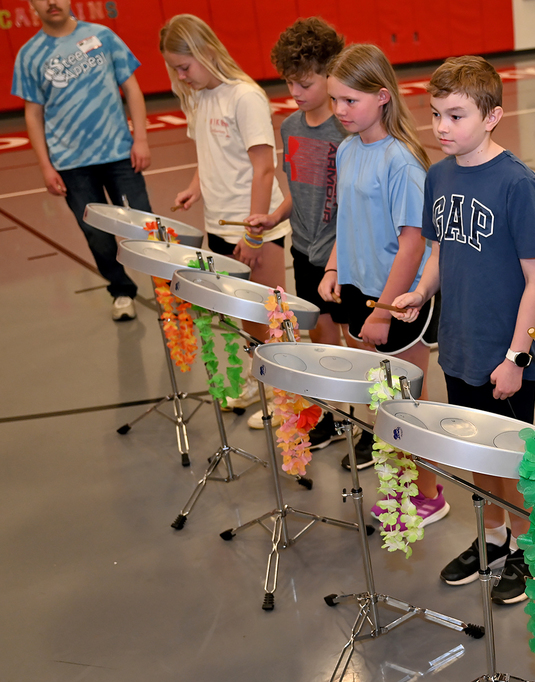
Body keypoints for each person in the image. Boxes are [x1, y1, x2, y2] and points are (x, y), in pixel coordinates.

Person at [391, 55, 535, 605]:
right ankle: (493, 537)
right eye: (436, 115)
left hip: (502, 356)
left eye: (455, 115)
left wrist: (515, 357)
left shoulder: (518, 185)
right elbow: (439, 248)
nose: (441, 127)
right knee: (471, 456)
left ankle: (529, 550)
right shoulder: (439, 175)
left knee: (513, 458)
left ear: (492, 117)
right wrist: (421, 290)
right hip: (457, 346)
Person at [314, 43, 447, 528]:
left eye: (351, 100)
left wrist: (384, 310)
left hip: (396, 299)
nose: (340, 111)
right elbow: (346, 224)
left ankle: (430, 494)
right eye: (335, 100)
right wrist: (332, 268)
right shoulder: (348, 150)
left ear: (383, 97)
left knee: (407, 399)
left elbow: (413, 244)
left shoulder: (402, 161)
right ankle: (405, 486)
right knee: (384, 398)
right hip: (356, 289)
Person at [160, 14, 291, 411]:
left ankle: (285, 398)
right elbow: (208, 155)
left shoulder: (245, 96)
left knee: (269, 314)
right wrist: (194, 189)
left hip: (255, 229)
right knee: (241, 313)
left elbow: (264, 167)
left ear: (206, 51)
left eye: (184, 66)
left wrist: (252, 234)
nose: (181, 76)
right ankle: (259, 378)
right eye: (174, 69)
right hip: (218, 225)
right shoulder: (200, 97)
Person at [12, 0, 151, 322]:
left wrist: (141, 139)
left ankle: (169, 290)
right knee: (97, 237)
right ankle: (121, 291)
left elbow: (130, 87)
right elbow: (33, 114)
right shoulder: (29, 55)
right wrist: (46, 166)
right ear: (32, 5)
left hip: (119, 156)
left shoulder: (102, 36)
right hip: (72, 166)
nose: (51, 2)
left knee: (145, 228)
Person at [242, 18, 348, 444]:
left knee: (355, 345)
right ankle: (333, 416)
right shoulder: (289, 128)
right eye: (289, 83)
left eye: (305, 83)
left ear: (330, 74)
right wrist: (273, 217)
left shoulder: (346, 130)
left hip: (343, 257)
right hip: (304, 249)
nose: (296, 93)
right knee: (321, 337)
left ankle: (361, 422)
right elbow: (299, 192)